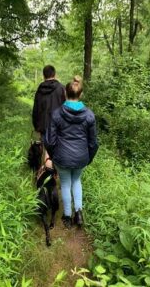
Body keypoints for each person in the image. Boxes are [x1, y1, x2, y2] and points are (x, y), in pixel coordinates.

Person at [44, 76, 98, 229]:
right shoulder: (89, 115)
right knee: (77, 181)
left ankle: (67, 216)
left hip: (62, 157)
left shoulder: (57, 114)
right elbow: (93, 142)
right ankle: (79, 213)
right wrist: (89, 158)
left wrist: (54, 156)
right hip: (81, 157)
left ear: (65, 94)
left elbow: (49, 140)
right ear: (80, 95)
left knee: (66, 184)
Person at [32, 65, 65, 168]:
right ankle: (50, 174)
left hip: (42, 124)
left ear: (43, 75)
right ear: (54, 74)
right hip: (57, 124)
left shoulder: (40, 89)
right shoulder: (61, 88)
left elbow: (35, 109)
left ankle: (44, 171)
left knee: (45, 147)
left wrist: (36, 125)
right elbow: (65, 107)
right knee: (54, 149)